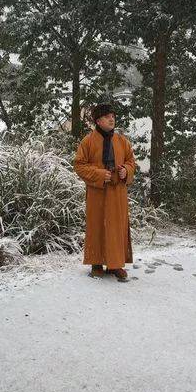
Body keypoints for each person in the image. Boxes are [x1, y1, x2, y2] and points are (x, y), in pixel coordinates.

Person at [73, 102, 137, 282]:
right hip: (97, 192)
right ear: (98, 120)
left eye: (113, 116)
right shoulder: (88, 141)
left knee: (117, 227)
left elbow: (131, 162)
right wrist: (100, 174)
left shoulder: (122, 141)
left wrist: (126, 170)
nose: (112, 119)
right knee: (97, 226)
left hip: (118, 192)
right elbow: (79, 165)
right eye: (108, 116)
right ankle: (96, 264)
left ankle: (115, 264)